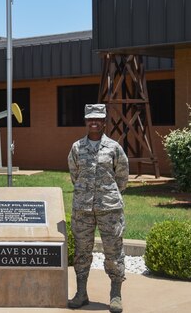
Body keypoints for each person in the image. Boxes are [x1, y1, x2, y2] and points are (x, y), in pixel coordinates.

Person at [67, 104, 129, 313]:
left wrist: (108, 195)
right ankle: (81, 293)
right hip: (83, 210)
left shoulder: (113, 147)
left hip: (109, 209)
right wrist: (86, 194)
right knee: (82, 252)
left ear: (104, 122)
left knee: (113, 251)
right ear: (86, 122)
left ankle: (115, 295)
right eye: (90, 119)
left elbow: (122, 177)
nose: (94, 122)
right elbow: (74, 174)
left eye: (98, 119)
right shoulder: (77, 148)